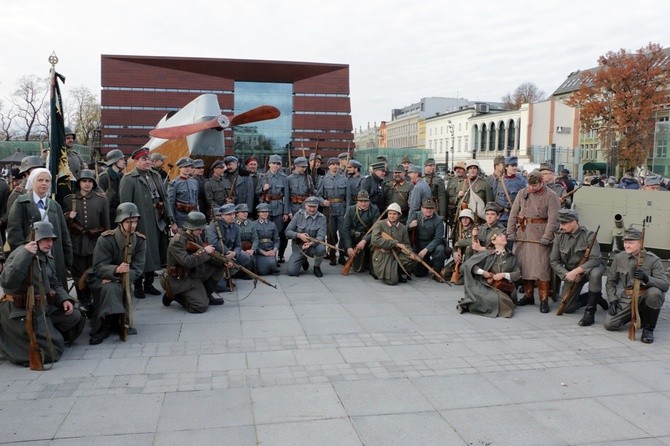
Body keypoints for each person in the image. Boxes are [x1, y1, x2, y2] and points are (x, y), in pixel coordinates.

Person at [0, 221, 84, 365]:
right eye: (46, 239)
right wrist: (25, 255)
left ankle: (48, 333)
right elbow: (7, 282)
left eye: (51, 239)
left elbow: (54, 283)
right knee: (53, 352)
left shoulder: (46, 257)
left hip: (42, 308)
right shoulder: (19, 253)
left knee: (76, 316)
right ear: (35, 239)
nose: (50, 243)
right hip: (20, 311)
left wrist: (64, 300)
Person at [119, 147, 176, 298]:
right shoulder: (129, 179)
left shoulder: (156, 176)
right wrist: (128, 223)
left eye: (148, 159)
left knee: (155, 251)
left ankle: (149, 283)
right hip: (141, 220)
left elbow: (165, 198)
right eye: (144, 159)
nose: (147, 161)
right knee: (141, 252)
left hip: (158, 219)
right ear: (136, 161)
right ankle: (138, 285)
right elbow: (125, 205)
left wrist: (169, 217)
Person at [87, 203, 146, 345]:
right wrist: (115, 271)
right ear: (120, 222)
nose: (132, 225)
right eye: (128, 222)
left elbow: (138, 269)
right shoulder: (106, 239)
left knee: (114, 288)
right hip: (101, 278)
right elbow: (98, 267)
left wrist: (120, 278)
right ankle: (104, 326)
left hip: (123, 280)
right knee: (110, 288)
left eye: (135, 221)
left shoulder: (140, 241)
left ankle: (113, 322)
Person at [7, 168, 73, 290]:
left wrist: (68, 258)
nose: (44, 183)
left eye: (47, 181)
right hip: (32, 255)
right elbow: (14, 232)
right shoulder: (21, 202)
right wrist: (23, 255)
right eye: (40, 180)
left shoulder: (54, 205)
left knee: (56, 290)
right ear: (32, 182)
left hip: (54, 254)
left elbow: (64, 233)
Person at [507, 169, 560, 313]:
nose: (531, 188)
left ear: (541, 182)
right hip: (523, 234)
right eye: (529, 185)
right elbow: (513, 214)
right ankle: (528, 295)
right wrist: (510, 232)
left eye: (534, 186)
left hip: (540, 236)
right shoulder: (522, 193)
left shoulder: (551, 196)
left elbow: (553, 219)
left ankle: (543, 299)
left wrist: (547, 236)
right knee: (524, 265)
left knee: (542, 268)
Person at [603, 227, 669, 343]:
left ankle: (648, 329)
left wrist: (647, 278)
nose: (627, 245)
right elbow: (610, 282)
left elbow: (664, 285)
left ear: (640, 243)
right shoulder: (619, 258)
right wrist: (613, 300)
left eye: (631, 243)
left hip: (645, 296)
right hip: (628, 298)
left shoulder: (653, 260)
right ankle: (636, 315)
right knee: (609, 324)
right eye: (625, 242)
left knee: (655, 293)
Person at [62, 170, 110, 313]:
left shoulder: (101, 200)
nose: (87, 184)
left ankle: (94, 298)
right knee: (78, 273)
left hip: (94, 242)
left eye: (90, 181)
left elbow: (106, 223)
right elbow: (61, 222)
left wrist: (106, 241)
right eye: (84, 181)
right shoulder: (69, 200)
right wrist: (68, 216)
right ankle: (83, 299)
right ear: (79, 183)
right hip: (76, 242)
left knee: (93, 270)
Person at [550, 209, 608, 326]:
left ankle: (589, 313)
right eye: (560, 223)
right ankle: (593, 298)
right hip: (570, 272)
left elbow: (595, 259)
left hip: (590, 269)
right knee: (567, 307)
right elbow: (554, 261)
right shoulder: (559, 236)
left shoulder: (589, 235)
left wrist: (577, 271)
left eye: (564, 223)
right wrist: (567, 274)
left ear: (574, 222)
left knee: (596, 274)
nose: (561, 227)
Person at [161, 212, 225, 312]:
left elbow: (205, 255)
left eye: (202, 228)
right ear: (190, 228)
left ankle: (206, 295)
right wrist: (204, 251)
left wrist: (223, 260)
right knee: (200, 306)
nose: (201, 231)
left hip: (193, 274)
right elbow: (186, 262)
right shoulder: (177, 241)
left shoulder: (195, 237)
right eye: (199, 229)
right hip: (179, 279)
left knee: (220, 265)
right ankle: (174, 295)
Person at [458, 229, 520, 318]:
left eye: (504, 235)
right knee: (493, 298)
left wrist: (504, 275)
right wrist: (483, 272)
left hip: (506, 288)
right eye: (500, 235)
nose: (503, 236)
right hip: (487, 285)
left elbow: (518, 273)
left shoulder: (511, 256)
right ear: (494, 241)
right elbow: (466, 265)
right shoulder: (487, 254)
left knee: (502, 299)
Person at [370, 202, 416, 285]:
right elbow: (375, 240)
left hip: (397, 253)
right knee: (392, 281)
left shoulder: (402, 228)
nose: (392, 216)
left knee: (411, 260)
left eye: (394, 214)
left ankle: (398, 273)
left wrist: (410, 252)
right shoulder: (379, 224)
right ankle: (386, 272)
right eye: (390, 213)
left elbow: (406, 244)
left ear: (399, 215)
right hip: (383, 254)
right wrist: (395, 243)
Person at [205, 203, 254, 281]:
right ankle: (221, 274)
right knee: (221, 288)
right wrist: (228, 253)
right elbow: (214, 243)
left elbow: (238, 245)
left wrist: (234, 253)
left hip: (230, 254)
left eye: (233, 214)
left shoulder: (235, 227)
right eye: (229, 214)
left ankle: (230, 272)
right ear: (222, 215)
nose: (232, 216)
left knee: (246, 258)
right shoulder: (214, 225)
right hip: (217, 255)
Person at [317, 157, 351, 266]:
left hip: (341, 209)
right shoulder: (323, 179)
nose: (335, 166)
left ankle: (341, 255)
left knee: (343, 232)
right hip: (329, 210)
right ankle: (332, 254)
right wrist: (323, 202)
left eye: (337, 164)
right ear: (329, 166)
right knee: (331, 233)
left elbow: (348, 197)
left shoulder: (344, 179)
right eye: (333, 164)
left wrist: (348, 211)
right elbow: (318, 195)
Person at [257, 154, 290, 263]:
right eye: (273, 163)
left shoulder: (284, 178)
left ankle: (279, 254)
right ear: (269, 164)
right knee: (266, 232)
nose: (275, 165)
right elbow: (257, 192)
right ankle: (268, 255)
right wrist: (263, 188)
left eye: (278, 164)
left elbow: (286, 196)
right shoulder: (263, 176)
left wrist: (286, 212)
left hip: (279, 208)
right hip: (266, 206)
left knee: (279, 233)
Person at [284, 196, 327, 277]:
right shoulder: (298, 215)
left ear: (318, 206)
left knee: (321, 248)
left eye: (314, 207)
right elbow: (287, 231)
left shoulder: (322, 218)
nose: (312, 209)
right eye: (310, 206)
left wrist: (311, 243)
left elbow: (321, 236)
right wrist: (299, 235)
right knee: (291, 272)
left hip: (312, 247)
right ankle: (303, 260)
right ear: (305, 206)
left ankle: (316, 267)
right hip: (299, 247)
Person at [341, 190, 380, 274]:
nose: (363, 204)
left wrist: (364, 240)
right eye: (361, 201)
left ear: (369, 201)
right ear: (357, 201)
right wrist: (349, 247)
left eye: (365, 201)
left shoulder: (375, 210)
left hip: (368, 239)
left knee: (375, 245)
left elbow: (375, 229)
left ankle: (371, 262)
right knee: (358, 269)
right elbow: (345, 229)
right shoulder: (351, 210)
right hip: (355, 239)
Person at [408, 198, 445, 279]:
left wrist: (426, 250)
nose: (429, 210)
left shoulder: (438, 220)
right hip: (417, 245)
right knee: (419, 273)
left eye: (431, 208)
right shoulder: (416, 215)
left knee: (440, 249)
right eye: (426, 208)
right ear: (421, 208)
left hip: (431, 246)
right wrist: (410, 226)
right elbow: (405, 229)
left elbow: (438, 238)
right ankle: (428, 263)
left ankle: (437, 271)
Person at [494, 156, 527, 227]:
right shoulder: (499, 181)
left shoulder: (522, 181)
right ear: (506, 167)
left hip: (515, 217)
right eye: (512, 165)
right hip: (501, 217)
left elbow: (526, 199)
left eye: (516, 165)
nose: (515, 168)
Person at [167, 157, 199, 228]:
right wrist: (172, 222)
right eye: (185, 167)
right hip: (180, 218)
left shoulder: (194, 182)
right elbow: (170, 203)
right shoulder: (174, 184)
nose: (187, 169)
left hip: (193, 216)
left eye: (189, 166)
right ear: (180, 168)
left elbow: (196, 201)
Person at [97, 149, 126, 228]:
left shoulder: (122, 176)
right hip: (109, 215)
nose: (124, 161)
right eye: (121, 159)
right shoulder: (104, 177)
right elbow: (99, 199)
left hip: (120, 213)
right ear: (114, 161)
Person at [252, 203, 280, 276]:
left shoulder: (272, 224)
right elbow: (253, 241)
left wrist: (274, 250)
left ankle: (272, 262)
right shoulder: (253, 224)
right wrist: (263, 253)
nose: (265, 213)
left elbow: (276, 240)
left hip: (270, 250)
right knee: (261, 272)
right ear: (258, 213)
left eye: (266, 212)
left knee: (272, 264)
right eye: (262, 212)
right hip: (260, 251)